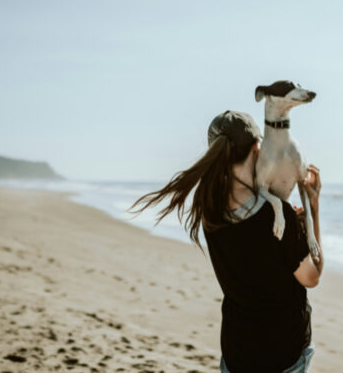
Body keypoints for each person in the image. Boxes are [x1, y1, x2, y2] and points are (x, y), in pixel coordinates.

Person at [128, 110, 324, 372]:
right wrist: (313, 207)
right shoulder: (276, 215)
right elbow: (312, 277)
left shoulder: (210, 209)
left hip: (238, 352)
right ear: (257, 148)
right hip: (283, 353)